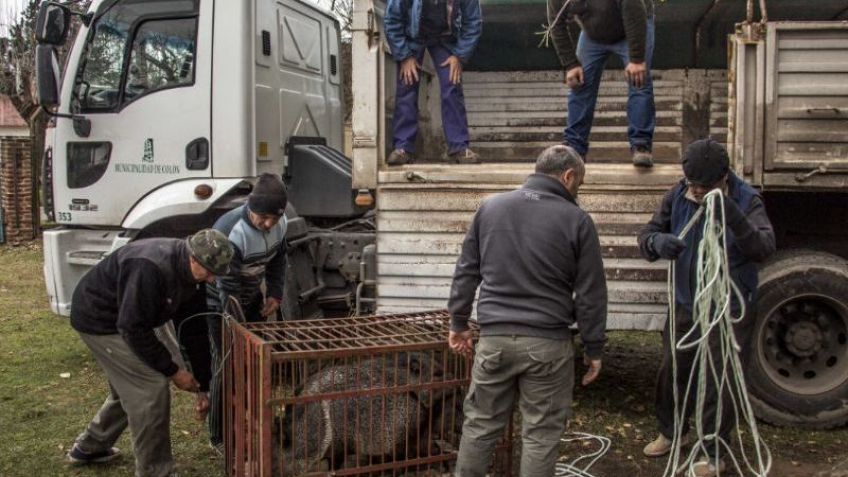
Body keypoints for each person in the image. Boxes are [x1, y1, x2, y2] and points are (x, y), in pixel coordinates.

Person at [448, 144, 608, 476]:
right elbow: (591, 293)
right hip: (548, 345)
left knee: (479, 426)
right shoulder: (577, 220)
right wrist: (594, 347)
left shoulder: (490, 208)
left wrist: (458, 321)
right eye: (580, 182)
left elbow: (467, 270)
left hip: (494, 341)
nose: (578, 190)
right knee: (540, 435)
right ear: (568, 176)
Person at [637, 139, 776, 477]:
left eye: (704, 186)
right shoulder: (679, 193)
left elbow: (764, 248)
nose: (696, 191)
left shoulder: (746, 199)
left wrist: (735, 218)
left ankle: (715, 450)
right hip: (687, 301)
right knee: (673, 367)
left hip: (728, 307)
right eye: (691, 184)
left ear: (722, 178)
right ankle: (672, 432)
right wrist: (657, 242)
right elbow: (647, 235)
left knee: (720, 377)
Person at [66, 229, 234, 477]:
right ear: (192, 258)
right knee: (150, 388)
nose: (211, 280)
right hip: (100, 319)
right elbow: (132, 328)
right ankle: (155, 472)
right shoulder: (150, 267)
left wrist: (203, 386)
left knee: (130, 387)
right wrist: (174, 371)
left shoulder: (193, 276)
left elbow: (193, 330)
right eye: (209, 272)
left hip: (133, 319)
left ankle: (90, 448)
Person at [206, 172, 288, 450]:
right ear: (250, 209)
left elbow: (279, 259)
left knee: (253, 363)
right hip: (222, 302)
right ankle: (219, 436)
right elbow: (226, 285)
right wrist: (235, 324)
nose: (267, 225)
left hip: (251, 295)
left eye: (273, 219)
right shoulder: (232, 230)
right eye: (262, 218)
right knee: (227, 365)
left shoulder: (280, 224)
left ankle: (251, 420)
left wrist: (275, 293)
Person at [547, 0, 656, 167]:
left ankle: (641, 145)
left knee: (639, 82)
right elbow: (556, 24)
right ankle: (574, 149)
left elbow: (633, 9)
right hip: (593, 33)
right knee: (579, 84)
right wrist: (571, 64)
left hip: (633, 24)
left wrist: (636, 58)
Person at [384, 0, 483, 165]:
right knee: (407, 82)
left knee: (452, 82)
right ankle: (403, 147)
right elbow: (392, 20)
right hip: (413, 36)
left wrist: (459, 56)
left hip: (444, 38)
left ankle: (459, 146)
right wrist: (405, 56)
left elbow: (473, 22)